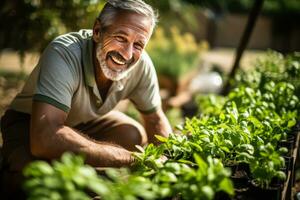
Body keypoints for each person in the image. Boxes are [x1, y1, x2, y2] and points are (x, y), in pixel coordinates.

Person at [0, 0, 172, 198]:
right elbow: (45, 138)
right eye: (121, 38)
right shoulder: (64, 53)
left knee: (132, 134)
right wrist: (129, 158)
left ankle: (84, 175)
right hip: (30, 124)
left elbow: (155, 120)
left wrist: (172, 161)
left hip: (82, 123)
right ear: (97, 31)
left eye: (138, 44)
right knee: (34, 178)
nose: (127, 53)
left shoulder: (142, 66)